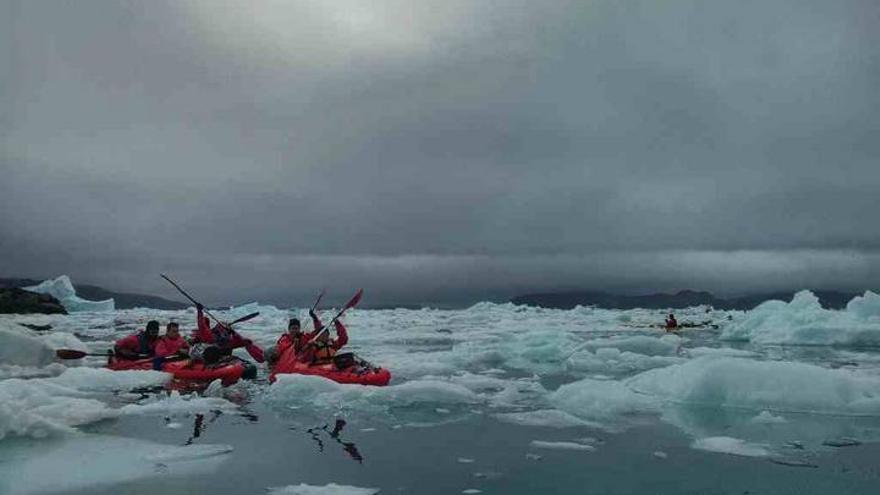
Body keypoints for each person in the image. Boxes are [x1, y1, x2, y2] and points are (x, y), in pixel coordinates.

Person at [191, 304, 264, 363]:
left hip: (222, 359)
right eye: (222, 332)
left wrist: (234, 333)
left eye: (225, 332)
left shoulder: (228, 340)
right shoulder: (208, 336)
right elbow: (201, 325)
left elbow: (244, 342)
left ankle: (263, 356)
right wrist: (199, 311)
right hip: (208, 359)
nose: (223, 334)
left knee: (247, 341)